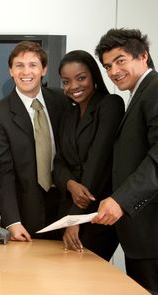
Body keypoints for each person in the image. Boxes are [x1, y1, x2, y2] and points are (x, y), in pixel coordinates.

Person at [92, 28, 158, 295]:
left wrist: (121, 200)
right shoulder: (138, 95)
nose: (113, 71)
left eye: (120, 60)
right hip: (141, 235)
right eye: (107, 66)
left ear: (143, 56)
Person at [0, 41, 67, 242]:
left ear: (44, 69)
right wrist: (12, 222)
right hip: (26, 214)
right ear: (11, 71)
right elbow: (3, 172)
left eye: (33, 65)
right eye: (19, 65)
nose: (25, 71)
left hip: (66, 206)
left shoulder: (63, 101)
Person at [52, 50, 124, 261]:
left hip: (96, 214)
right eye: (66, 81)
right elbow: (58, 162)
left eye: (81, 78)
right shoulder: (68, 114)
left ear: (94, 76)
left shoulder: (110, 104)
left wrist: (75, 219)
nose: (73, 86)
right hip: (67, 212)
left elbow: (98, 163)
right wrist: (69, 183)